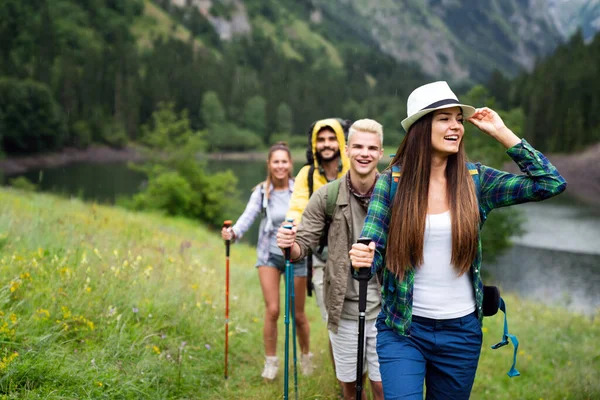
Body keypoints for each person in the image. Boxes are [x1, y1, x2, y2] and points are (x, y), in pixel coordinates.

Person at [349, 81, 567, 399]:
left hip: (461, 333)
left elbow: (550, 183)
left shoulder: (476, 181)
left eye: (458, 119)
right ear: (422, 128)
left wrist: (501, 132)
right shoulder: (391, 183)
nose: (455, 126)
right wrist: (364, 258)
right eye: (444, 118)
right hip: (403, 330)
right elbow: (372, 248)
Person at [278, 119, 385, 400]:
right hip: (344, 307)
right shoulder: (326, 195)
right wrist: (290, 247)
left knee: (382, 388)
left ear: (381, 153)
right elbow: (303, 243)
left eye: (372, 148)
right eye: (358, 146)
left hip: (388, 311)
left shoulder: (395, 195)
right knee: (349, 389)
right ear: (347, 150)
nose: (364, 153)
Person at [221, 142, 312, 381]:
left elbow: (312, 217)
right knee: (272, 310)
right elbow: (248, 216)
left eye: (284, 161)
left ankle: (305, 357)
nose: (280, 166)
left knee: (298, 314)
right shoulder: (262, 191)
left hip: (296, 255)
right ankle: (271, 362)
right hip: (268, 256)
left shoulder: (300, 189)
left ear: (290, 164)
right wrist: (234, 234)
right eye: (276, 161)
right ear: (269, 165)